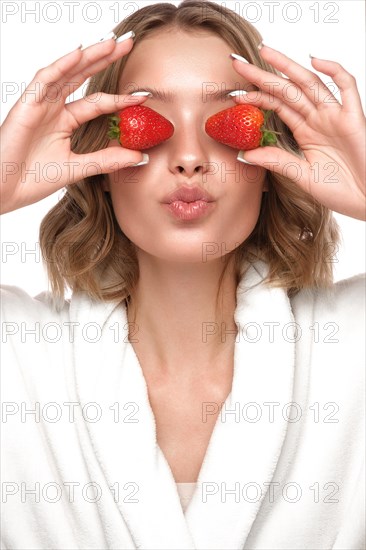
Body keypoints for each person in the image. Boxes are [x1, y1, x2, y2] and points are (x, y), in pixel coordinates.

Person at [1, 1, 365, 548]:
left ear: (270, 163)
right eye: (148, 123)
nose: (190, 158)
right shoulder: (17, 353)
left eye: (228, 122)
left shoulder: (353, 346)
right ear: (100, 165)